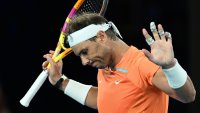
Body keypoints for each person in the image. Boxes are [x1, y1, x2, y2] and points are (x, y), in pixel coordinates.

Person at [42, 12, 196, 113]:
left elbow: (188, 96)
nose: (84, 62)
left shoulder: (140, 64)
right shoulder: (104, 66)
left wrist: (170, 66)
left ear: (101, 37)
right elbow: (103, 99)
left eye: (84, 52)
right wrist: (60, 81)